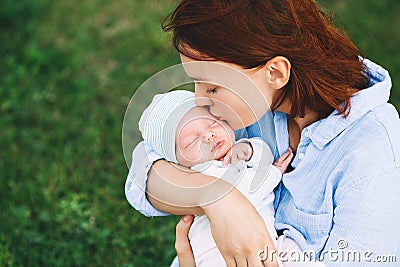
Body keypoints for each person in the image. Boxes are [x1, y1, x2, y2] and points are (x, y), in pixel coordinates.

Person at [125, 0, 400, 266]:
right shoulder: (241, 109)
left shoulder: (372, 153)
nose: (199, 101)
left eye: (212, 88)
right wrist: (218, 199)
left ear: (276, 73)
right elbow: (142, 173)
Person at [137, 90, 293, 266]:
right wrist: (275, 173)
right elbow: (246, 194)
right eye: (191, 142)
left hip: (260, 243)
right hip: (216, 253)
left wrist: (250, 148)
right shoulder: (204, 172)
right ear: (177, 161)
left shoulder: (236, 149)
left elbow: (264, 154)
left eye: (212, 123)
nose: (207, 136)